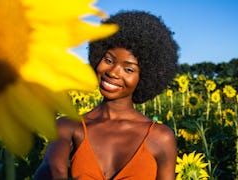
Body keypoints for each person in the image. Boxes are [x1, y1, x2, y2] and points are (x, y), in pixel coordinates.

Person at [34, 10, 179, 180]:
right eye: (109, 60)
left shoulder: (161, 138)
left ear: (146, 76)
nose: (113, 72)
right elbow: (51, 169)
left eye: (128, 69)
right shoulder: (69, 127)